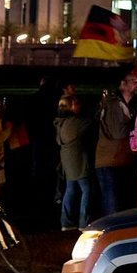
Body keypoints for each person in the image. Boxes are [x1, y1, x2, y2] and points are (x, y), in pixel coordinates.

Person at [95, 71, 137, 217]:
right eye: (133, 81)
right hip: (111, 161)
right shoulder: (115, 105)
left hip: (119, 160)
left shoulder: (124, 105)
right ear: (123, 84)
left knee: (120, 204)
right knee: (113, 206)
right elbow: (118, 133)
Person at [54, 95, 97, 230]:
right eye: (76, 103)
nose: (79, 106)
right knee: (86, 190)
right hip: (78, 161)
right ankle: (84, 222)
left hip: (68, 162)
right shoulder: (75, 123)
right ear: (70, 106)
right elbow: (91, 123)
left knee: (70, 189)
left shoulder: (60, 122)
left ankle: (66, 221)